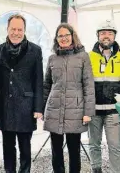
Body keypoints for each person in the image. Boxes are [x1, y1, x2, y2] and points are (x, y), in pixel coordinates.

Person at [0, 13, 44, 173]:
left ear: (24, 30)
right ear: (7, 29)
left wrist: (38, 108)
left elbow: (38, 81)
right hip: (5, 107)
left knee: (25, 146)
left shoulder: (35, 50)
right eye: (13, 29)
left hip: (26, 107)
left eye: (19, 29)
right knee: (8, 146)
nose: (16, 32)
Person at [43, 23, 95, 173]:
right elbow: (47, 84)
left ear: (72, 36)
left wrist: (88, 112)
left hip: (76, 110)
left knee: (74, 150)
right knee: (56, 150)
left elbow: (88, 85)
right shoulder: (52, 58)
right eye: (60, 36)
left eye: (66, 35)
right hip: (54, 109)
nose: (64, 38)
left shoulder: (83, 57)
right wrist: (41, 109)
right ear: (56, 39)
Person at [88, 20, 120, 173]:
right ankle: (96, 169)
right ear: (98, 36)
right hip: (93, 110)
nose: (106, 36)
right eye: (103, 33)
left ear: (114, 36)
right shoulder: (88, 57)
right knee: (94, 143)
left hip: (114, 111)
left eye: (110, 33)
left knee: (115, 146)